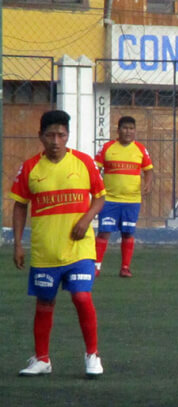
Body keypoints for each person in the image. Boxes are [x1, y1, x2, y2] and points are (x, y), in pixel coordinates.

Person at [9, 110, 106, 378]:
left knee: (81, 296)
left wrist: (86, 220)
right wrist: (17, 244)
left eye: (61, 135)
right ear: (40, 136)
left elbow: (100, 197)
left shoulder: (84, 163)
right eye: (50, 135)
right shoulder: (30, 168)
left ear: (68, 136)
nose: (55, 140)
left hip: (79, 249)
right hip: (45, 251)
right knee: (44, 303)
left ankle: (92, 355)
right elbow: (19, 206)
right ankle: (42, 359)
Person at [94, 116, 154, 278]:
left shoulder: (140, 149)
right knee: (104, 232)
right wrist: (96, 188)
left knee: (128, 233)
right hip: (109, 200)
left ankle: (125, 268)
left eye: (131, 128)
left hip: (131, 201)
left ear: (135, 131)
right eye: (125, 128)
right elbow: (95, 170)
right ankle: (96, 267)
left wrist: (147, 184)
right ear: (118, 130)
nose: (128, 131)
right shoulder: (107, 148)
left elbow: (148, 170)